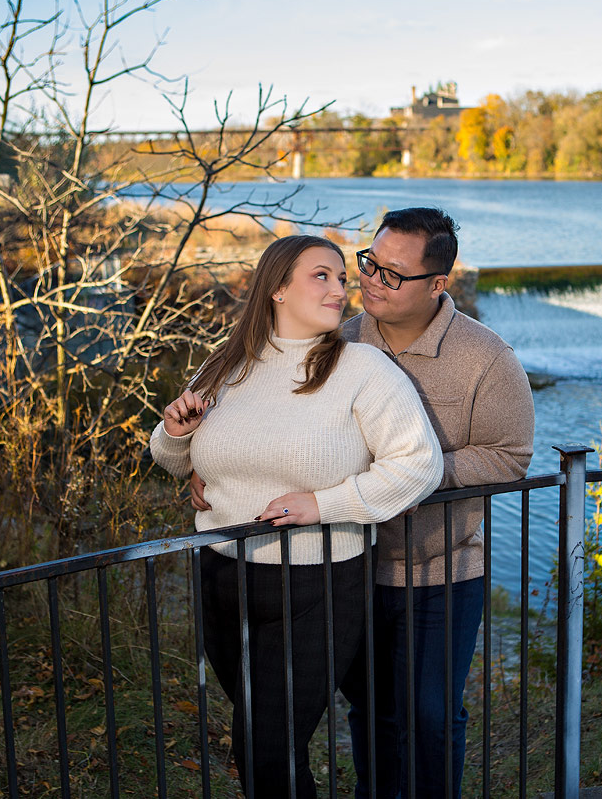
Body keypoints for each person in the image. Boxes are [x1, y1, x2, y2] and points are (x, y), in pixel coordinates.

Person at [192, 209, 535, 796]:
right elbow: (271, 431)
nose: (372, 281)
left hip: (436, 567)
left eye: (394, 274)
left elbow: (509, 456)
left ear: (436, 284)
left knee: (429, 715)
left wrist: (395, 476)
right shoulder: (339, 341)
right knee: (371, 711)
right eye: (369, 264)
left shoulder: (487, 358)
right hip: (346, 568)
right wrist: (211, 477)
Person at [149, 234, 443, 799]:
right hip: (220, 576)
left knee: (263, 752)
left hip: (318, 584)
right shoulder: (226, 365)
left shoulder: (364, 368)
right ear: (278, 288)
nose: (341, 289)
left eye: (341, 277)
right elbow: (172, 460)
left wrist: (321, 504)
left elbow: (418, 465)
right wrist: (174, 434)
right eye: (322, 276)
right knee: (266, 748)